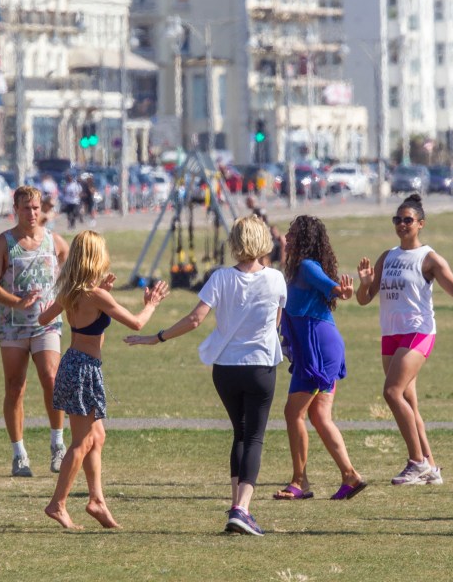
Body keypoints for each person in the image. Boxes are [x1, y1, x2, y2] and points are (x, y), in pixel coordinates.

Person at [125, 215, 286, 536]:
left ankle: (235, 506)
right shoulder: (276, 279)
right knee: (254, 436)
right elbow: (277, 324)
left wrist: (157, 337)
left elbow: (195, 320)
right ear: (263, 242)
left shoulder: (220, 278)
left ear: (235, 243)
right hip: (260, 367)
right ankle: (242, 509)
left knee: (240, 434)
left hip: (225, 368)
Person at [38, 231, 169, 529]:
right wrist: (152, 303)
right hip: (83, 370)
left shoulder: (72, 290)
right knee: (82, 442)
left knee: (97, 437)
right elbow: (137, 322)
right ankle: (57, 504)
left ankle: (96, 501)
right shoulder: (94, 294)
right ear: (96, 257)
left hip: (75, 364)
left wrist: (95, 299)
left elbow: (43, 319)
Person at [356, 194, 453, 486]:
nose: (402, 224)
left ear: (420, 224)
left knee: (391, 392)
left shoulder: (429, 258)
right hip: (391, 333)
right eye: (397, 220)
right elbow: (365, 299)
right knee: (408, 402)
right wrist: (364, 284)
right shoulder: (387, 257)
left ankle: (416, 463)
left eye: (408, 220)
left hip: (418, 332)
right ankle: (431, 466)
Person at [273, 216, 365, 501]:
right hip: (322, 345)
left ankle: (299, 482)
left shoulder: (306, 266)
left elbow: (329, 284)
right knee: (319, 416)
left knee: (293, 413)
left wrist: (342, 290)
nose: (287, 237)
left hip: (317, 349)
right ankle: (350, 476)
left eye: (291, 233)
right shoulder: (300, 267)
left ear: (303, 238)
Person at [0, 185, 70, 478]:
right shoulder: (3, 243)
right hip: (12, 326)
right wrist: (17, 302)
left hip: (46, 323)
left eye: (35, 208)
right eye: (25, 208)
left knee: (52, 379)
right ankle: (19, 453)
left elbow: (75, 271)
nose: (31, 213)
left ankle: (58, 444)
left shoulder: (54, 241)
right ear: (15, 210)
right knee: (15, 386)